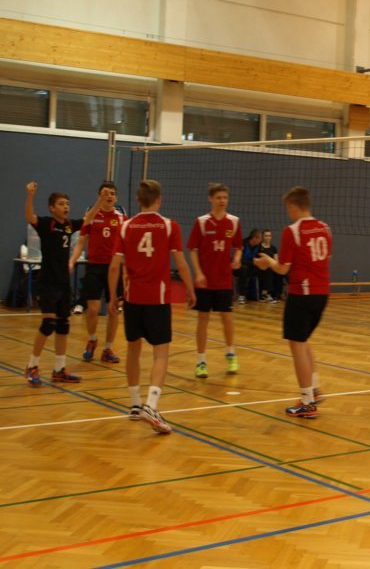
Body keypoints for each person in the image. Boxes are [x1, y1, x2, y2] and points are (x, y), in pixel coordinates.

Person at [108, 179, 196, 434]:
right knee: (161, 353)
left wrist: (113, 296)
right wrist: (190, 289)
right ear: (159, 199)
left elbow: (114, 266)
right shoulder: (169, 226)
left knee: (133, 350)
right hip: (157, 299)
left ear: (138, 200)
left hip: (132, 298)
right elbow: (181, 264)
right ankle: (152, 405)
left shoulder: (126, 226)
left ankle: (135, 404)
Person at [254, 187, 331, 418]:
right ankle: (314, 389)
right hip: (322, 294)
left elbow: (282, 268)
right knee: (303, 341)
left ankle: (307, 403)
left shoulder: (293, 231)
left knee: (296, 345)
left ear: (294, 206)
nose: (287, 212)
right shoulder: (325, 228)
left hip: (302, 293)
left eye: (288, 207)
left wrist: (268, 262)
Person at [24, 182, 105, 386]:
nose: (66, 207)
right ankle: (32, 366)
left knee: (63, 326)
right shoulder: (46, 224)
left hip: (63, 283)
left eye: (67, 203)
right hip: (48, 282)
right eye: (61, 204)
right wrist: (31, 195)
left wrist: (100, 201)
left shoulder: (69, 225)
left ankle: (59, 370)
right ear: (52, 208)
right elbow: (29, 216)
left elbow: (88, 219)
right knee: (47, 324)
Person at [187, 183, 243, 379]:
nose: (222, 201)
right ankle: (201, 361)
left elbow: (238, 247)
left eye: (225, 197)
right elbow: (193, 250)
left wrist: (237, 259)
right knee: (203, 318)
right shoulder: (202, 222)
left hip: (224, 280)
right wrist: (198, 273)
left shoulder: (234, 222)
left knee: (227, 317)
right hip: (205, 281)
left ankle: (231, 354)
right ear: (210, 199)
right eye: (218, 197)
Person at [69, 181, 125, 364]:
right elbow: (81, 241)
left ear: (116, 197)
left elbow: (127, 245)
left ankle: (108, 348)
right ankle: (92, 340)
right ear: (99, 196)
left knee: (113, 310)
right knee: (92, 310)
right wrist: (72, 261)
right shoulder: (92, 215)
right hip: (94, 266)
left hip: (114, 268)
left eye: (112, 193)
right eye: (105, 193)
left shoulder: (121, 217)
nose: (109, 196)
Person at [234, 228, 262, 304]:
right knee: (244, 269)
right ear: (254, 238)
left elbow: (259, 258)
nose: (261, 240)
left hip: (251, 267)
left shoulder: (259, 246)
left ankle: (264, 294)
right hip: (239, 268)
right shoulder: (243, 243)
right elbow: (240, 260)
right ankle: (241, 296)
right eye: (260, 238)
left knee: (264, 269)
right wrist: (253, 263)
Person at [256, 229, 282, 302]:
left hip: (271, 267)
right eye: (266, 236)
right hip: (261, 268)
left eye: (269, 236)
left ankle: (277, 295)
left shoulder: (273, 248)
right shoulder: (259, 247)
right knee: (269, 270)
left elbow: (276, 260)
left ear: (271, 237)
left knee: (280, 272)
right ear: (263, 237)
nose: (268, 237)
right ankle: (266, 294)